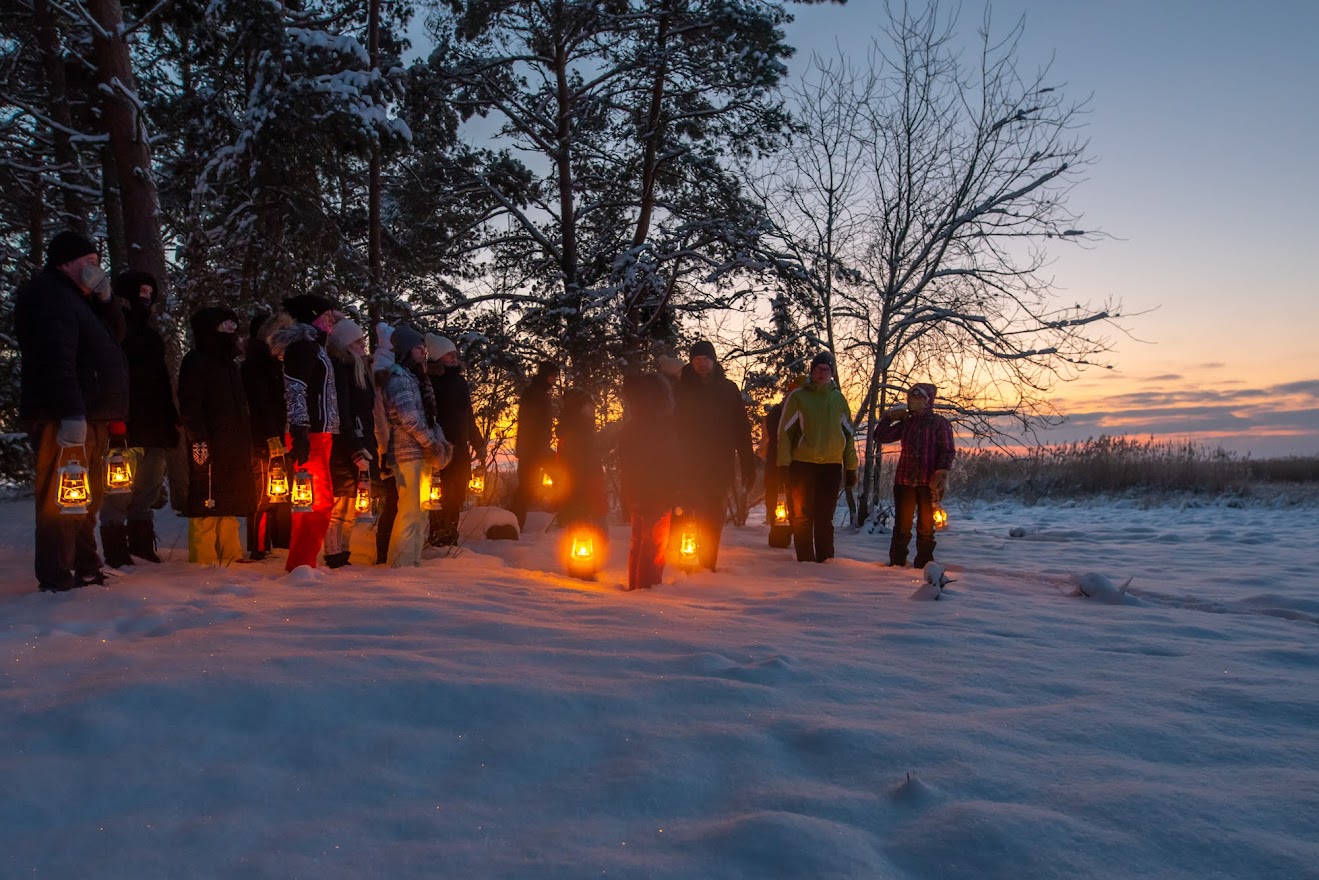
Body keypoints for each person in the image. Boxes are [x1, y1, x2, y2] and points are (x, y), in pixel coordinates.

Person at [14, 230, 129, 592]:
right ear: (66, 263)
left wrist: (107, 299)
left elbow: (116, 337)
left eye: (99, 262)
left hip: (89, 414)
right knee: (59, 501)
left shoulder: (82, 302)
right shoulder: (49, 295)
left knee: (85, 499)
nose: (97, 269)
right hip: (63, 415)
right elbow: (55, 360)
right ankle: (56, 576)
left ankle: (86, 565)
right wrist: (71, 414)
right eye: (89, 263)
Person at [99, 270, 179, 567]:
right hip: (125, 422)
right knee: (118, 489)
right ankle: (116, 549)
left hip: (154, 424)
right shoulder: (113, 329)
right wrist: (114, 416)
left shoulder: (152, 336)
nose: (145, 297)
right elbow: (110, 377)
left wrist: (171, 418)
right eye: (140, 292)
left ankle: (142, 545)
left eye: (149, 293)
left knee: (148, 487)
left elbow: (160, 380)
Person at [265, 294, 343, 571]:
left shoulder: (315, 347)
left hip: (321, 432)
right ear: (312, 317)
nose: (332, 322)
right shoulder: (303, 347)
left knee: (317, 501)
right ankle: (301, 564)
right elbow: (295, 390)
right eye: (327, 316)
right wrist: (299, 430)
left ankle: (303, 562)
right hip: (309, 434)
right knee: (315, 502)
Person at [673, 339, 755, 571]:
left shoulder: (728, 390)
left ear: (714, 360)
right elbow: (669, 426)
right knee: (687, 516)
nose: (701, 364)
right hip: (688, 465)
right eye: (696, 359)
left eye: (705, 359)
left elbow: (741, 428)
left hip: (719, 466)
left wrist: (747, 463)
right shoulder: (680, 389)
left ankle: (707, 565)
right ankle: (684, 565)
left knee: (712, 518)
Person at [178, 307, 252, 564]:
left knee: (229, 498)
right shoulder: (196, 361)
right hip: (206, 443)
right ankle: (203, 558)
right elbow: (190, 405)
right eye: (225, 324)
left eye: (234, 323)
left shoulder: (230, 365)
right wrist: (199, 438)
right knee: (205, 497)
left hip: (232, 443)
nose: (232, 329)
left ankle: (230, 554)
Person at [379, 326, 451, 567]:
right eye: (418, 347)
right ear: (407, 350)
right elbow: (409, 417)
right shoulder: (399, 378)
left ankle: (413, 560)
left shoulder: (416, 378)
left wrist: (437, 441)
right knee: (410, 511)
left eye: (423, 347)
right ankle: (402, 563)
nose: (423, 351)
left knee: (420, 511)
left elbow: (428, 416)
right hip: (408, 452)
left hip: (420, 452)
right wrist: (430, 443)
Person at [776, 353, 857, 563]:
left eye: (827, 370)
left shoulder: (838, 399)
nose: (822, 373)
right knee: (802, 517)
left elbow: (848, 435)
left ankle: (826, 561)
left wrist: (851, 468)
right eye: (819, 369)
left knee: (825, 517)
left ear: (832, 374)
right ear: (812, 371)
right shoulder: (799, 397)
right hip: (803, 465)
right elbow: (784, 433)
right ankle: (805, 561)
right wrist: (783, 464)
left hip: (831, 465)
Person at [872, 382, 955, 569]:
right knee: (902, 527)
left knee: (926, 529)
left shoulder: (939, 423)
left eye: (919, 398)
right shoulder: (906, 423)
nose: (915, 401)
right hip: (904, 481)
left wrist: (942, 471)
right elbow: (880, 436)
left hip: (929, 483)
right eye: (912, 398)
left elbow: (948, 450)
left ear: (928, 401)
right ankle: (897, 564)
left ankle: (924, 566)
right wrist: (888, 418)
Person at [619, 373, 680, 590]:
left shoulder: (630, 427)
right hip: (657, 494)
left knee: (639, 543)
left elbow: (625, 465)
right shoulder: (663, 429)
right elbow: (670, 463)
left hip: (637, 493)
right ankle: (646, 593)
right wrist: (674, 491)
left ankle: (636, 587)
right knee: (652, 546)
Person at [425, 333, 486, 546]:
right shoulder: (430, 381)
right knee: (440, 494)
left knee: (457, 493)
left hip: (460, 448)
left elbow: (468, 415)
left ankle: (451, 535)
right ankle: (437, 536)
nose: (454, 357)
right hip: (440, 447)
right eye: (449, 354)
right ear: (438, 357)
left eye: (454, 353)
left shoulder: (460, 382)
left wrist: (477, 443)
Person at [324, 318, 375, 567]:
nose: (363, 346)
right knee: (339, 501)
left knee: (350, 500)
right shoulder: (340, 369)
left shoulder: (357, 369)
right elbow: (343, 411)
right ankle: (334, 553)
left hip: (356, 439)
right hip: (343, 444)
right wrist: (354, 445)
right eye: (358, 341)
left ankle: (344, 551)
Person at [242, 312, 291, 560]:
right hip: (263, 437)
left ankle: (277, 541)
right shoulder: (255, 364)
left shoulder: (275, 364)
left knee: (277, 490)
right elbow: (261, 403)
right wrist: (271, 436)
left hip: (278, 434)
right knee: (263, 492)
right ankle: (259, 545)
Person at [555, 386, 608, 543]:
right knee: (589, 529)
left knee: (592, 527)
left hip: (589, 487)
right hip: (584, 488)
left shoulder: (582, 430)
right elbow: (576, 464)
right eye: (587, 406)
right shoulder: (575, 433)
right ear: (577, 408)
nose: (591, 410)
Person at [511, 361, 560, 529]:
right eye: (552, 376)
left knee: (529, 487)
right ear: (545, 375)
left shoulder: (538, 393)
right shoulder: (534, 394)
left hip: (536, 448)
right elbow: (531, 425)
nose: (554, 380)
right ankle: (514, 524)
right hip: (532, 450)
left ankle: (516, 523)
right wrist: (541, 448)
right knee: (526, 488)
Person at [370, 323, 399, 564]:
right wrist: (384, 450)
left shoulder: (388, 366)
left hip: (393, 445)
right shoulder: (385, 369)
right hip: (391, 446)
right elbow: (380, 418)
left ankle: (388, 550)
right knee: (393, 501)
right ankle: (384, 552)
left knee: (396, 501)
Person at [761, 374, 804, 526]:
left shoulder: (805, 412)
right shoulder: (777, 412)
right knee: (776, 500)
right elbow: (771, 438)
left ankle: (791, 530)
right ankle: (778, 530)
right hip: (777, 461)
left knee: (796, 503)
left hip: (799, 463)